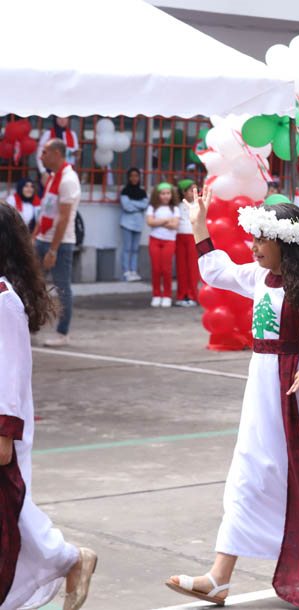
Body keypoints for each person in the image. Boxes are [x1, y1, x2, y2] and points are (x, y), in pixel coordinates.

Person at [166, 188, 299, 606]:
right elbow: (216, 271)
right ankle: (219, 576)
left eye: (262, 239)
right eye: (254, 238)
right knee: (250, 472)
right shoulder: (257, 277)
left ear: (285, 244)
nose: (254, 246)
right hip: (262, 388)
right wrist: (200, 224)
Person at [0, 203, 97, 610]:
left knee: (12, 526)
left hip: (2, 432)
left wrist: (5, 434)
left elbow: (9, 377)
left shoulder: (4, 302)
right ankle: (71, 558)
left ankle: (70, 557)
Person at [34, 139, 80, 347]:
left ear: (56, 153)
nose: (42, 157)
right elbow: (45, 211)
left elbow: (63, 218)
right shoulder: (53, 178)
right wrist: (34, 236)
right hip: (43, 238)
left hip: (60, 243)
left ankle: (63, 332)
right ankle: (26, 325)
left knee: (62, 287)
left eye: (45, 152)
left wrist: (53, 249)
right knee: (27, 281)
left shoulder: (68, 179)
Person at [146, 183, 180, 308]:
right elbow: (150, 222)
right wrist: (166, 221)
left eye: (168, 193)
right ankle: (156, 295)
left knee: (166, 269)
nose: (166, 196)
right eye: (163, 193)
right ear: (158, 195)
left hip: (169, 241)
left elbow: (175, 225)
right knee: (156, 269)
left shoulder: (174, 209)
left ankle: (167, 295)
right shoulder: (152, 208)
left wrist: (158, 222)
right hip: (155, 240)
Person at [174, 179, 200, 306]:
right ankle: (181, 295)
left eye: (196, 190)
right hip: (179, 237)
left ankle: (192, 295)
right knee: (181, 267)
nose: (195, 193)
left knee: (192, 267)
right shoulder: (177, 206)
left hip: (193, 237)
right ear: (183, 192)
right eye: (191, 190)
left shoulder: (199, 205)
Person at [119, 168, 147, 282]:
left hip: (138, 224)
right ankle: (126, 271)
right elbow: (126, 206)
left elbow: (145, 205)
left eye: (136, 176)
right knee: (127, 248)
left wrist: (133, 203)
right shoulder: (125, 191)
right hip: (126, 223)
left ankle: (134, 270)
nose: (134, 178)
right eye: (132, 176)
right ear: (128, 177)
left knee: (135, 249)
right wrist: (138, 205)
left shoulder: (142, 192)